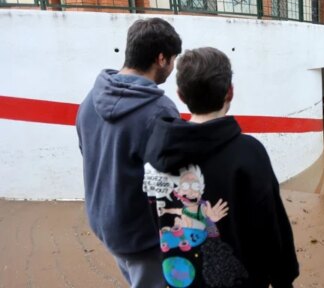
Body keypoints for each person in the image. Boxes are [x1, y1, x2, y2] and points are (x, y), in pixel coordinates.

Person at [142, 47, 299, 288]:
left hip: (180, 279)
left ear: (180, 95)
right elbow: (270, 225)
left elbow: (154, 217)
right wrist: (283, 278)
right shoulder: (249, 153)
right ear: (230, 92)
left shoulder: (153, 153)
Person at [76, 18, 182, 288]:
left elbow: (87, 153)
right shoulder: (159, 110)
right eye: (172, 60)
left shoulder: (90, 99)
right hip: (141, 236)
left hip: (106, 223)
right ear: (160, 58)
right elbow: (170, 182)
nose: (172, 68)